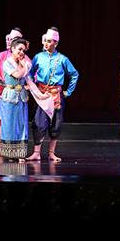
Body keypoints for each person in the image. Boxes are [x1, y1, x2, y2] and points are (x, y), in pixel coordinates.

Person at [26, 27, 78, 162]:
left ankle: (51, 153)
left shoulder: (62, 59)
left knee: (56, 124)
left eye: (49, 41)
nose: (46, 43)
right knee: (38, 123)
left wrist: (68, 91)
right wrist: (33, 88)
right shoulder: (38, 57)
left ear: (56, 43)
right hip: (42, 95)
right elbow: (30, 74)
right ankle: (36, 153)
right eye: (45, 41)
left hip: (56, 95)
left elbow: (74, 74)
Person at [0, 27, 27, 150]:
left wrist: (26, 86)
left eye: (13, 39)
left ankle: (15, 146)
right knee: (1, 117)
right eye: (9, 38)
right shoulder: (1, 56)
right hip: (3, 89)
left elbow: (32, 74)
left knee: (16, 118)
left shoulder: (24, 58)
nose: (9, 41)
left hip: (18, 91)